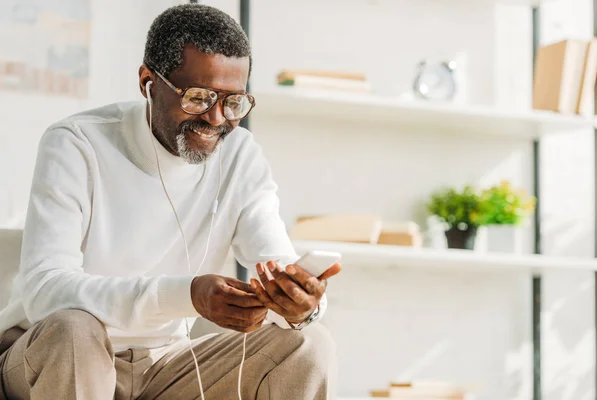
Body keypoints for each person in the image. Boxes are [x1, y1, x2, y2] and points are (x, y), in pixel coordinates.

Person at [0, 4, 341, 399]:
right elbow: (47, 293)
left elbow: (276, 262)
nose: (216, 119)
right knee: (76, 329)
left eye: (233, 102)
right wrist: (188, 295)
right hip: (52, 354)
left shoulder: (240, 157)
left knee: (308, 343)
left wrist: (300, 305)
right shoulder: (76, 143)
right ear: (148, 81)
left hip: (165, 363)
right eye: (199, 97)